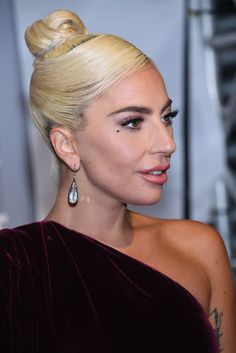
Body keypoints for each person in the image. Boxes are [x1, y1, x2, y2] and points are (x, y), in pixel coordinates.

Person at [0, 9, 235, 353]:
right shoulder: (14, 269)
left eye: (167, 117)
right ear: (67, 145)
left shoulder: (200, 250)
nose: (168, 143)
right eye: (133, 122)